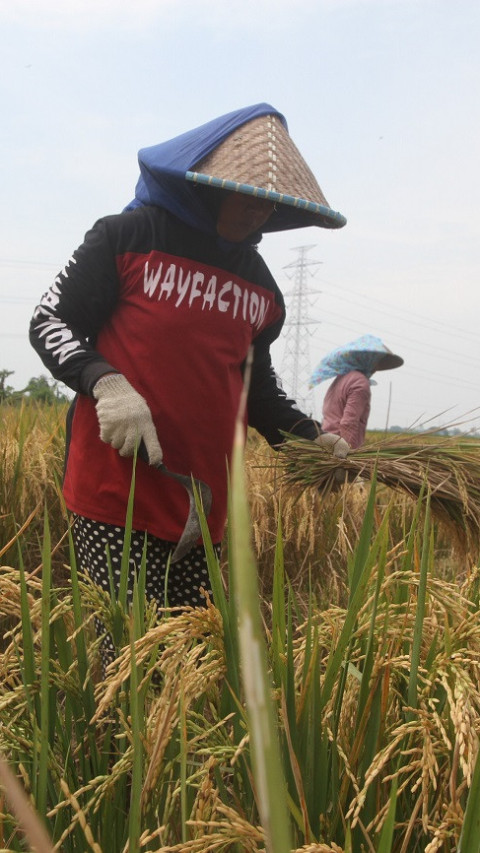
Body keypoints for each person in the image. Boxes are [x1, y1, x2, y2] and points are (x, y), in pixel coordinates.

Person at [29, 102, 349, 669]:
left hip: (203, 509)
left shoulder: (260, 287)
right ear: (206, 185)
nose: (258, 212)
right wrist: (106, 384)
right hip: (116, 497)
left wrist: (307, 437)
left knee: (191, 668)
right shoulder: (127, 238)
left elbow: (257, 389)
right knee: (126, 670)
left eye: (268, 202)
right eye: (246, 194)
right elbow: (49, 321)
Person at [310, 335, 404, 449]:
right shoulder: (360, 382)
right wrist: (349, 454)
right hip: (339, 447)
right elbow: (349, 423)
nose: (376, 368)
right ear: (366, 359)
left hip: (326, 443)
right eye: (376, 362)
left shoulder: (341, 378)